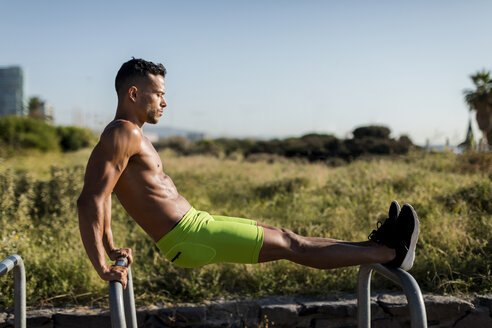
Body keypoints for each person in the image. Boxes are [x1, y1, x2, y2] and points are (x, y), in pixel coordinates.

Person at [77, 58, 419, 289]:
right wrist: (103, 267)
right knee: (291, 245)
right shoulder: (124, 133)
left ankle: (379, 245)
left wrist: (111, 246)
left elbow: (103, 195)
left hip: (197, 224)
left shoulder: (123, 132)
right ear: (134, 93)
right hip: (189, 237)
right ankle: (389, 253)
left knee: (286, 237)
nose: (164, 103)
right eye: (159, 94)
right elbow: (91, 200)